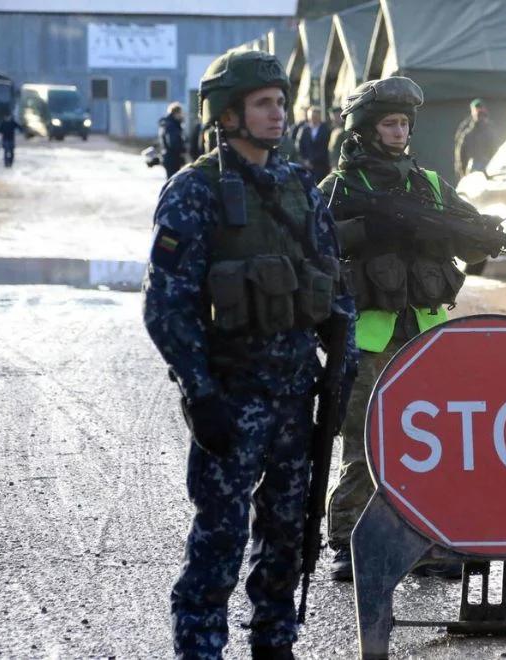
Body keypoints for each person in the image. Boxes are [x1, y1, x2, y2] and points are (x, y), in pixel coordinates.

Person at [143, 49, 358, 659]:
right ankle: (200, 647)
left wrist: (338, 378)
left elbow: (334, 291)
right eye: (263, 104)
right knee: (219, 537)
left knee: (289, 533)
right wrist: (199, 392)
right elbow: (167, 306)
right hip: (231, 398)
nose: (278, 115)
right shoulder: (193, 192)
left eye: (280, 103)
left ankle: (274, 640)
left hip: (296, 398)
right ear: (227, 113)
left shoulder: (299, 189)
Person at [319, 77, 493, 582]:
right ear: (365, 130)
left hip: (426, 336)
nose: (398, 132)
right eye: (389, 123)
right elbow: (314, 244)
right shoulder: (342, 188)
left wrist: (465, 233)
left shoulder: (431, 186)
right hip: (370, 338)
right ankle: (350, 541)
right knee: (364, 442)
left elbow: (475, 243)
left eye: (403, 124)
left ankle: (430, 541)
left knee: (431, 441)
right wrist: (369, 232)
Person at [452, 98, 500, 179]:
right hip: (472, 174)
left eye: (480, 110)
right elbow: (461, 157)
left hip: (490, 173)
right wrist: (463, 175)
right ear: (472, 112)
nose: (479, 113)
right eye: (476, 110)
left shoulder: (491, 132)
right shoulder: (467, 134)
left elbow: (497, 153)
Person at [295, 105, 331, 183]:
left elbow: (326, 148)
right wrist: (304, 161)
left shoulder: (326, 130)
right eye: (311, 116)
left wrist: (313, 161)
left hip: (321, 166)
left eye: (315, 116)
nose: (313, 118)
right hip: (306, 166)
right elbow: (299, 146)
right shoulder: (303, 130)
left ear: (319, 116)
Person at [158, 102, 187, 180]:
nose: (182, 115)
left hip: (169, 157)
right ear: (176, 113)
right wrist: (183, 150)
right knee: (172, 181)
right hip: (172, 159)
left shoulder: (169, 124)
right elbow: (173, 143)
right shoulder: (171, 125)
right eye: (180, 113)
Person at [326, 106, 347, 171]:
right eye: (332, 117)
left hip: (342, 166)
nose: (333, 119)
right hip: (334, 165)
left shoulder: (346, 130)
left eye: (335, 117)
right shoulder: (334, 129)